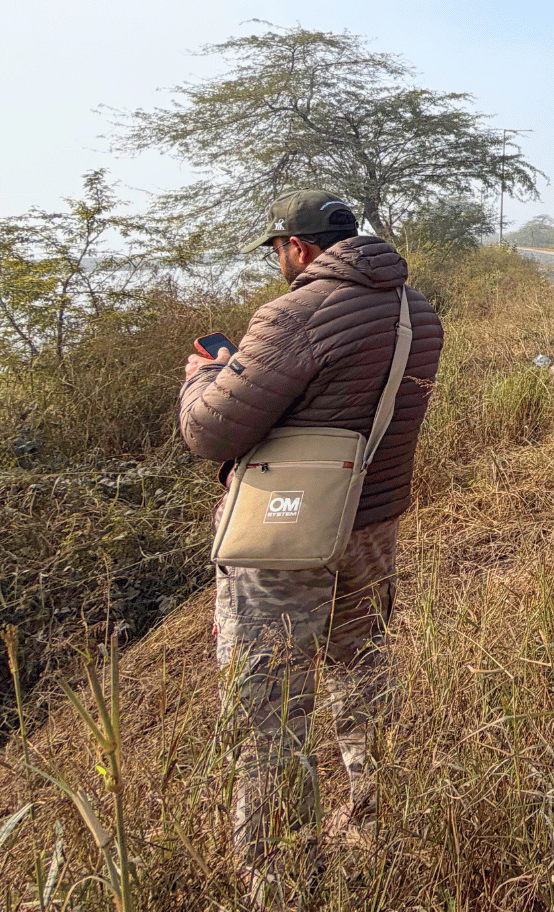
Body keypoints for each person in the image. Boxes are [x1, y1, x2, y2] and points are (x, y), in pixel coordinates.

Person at [179, 190, 445, 895]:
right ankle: (376, 822)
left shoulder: (292, 313)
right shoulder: (417, 310)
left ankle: (280, 875)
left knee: (267, 711)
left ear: (296, 247)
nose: (278, 261)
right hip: (373, 526)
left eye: (277, 249)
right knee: (363, 674)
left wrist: (205, 376)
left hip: (286, 534)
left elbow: (210, 431)